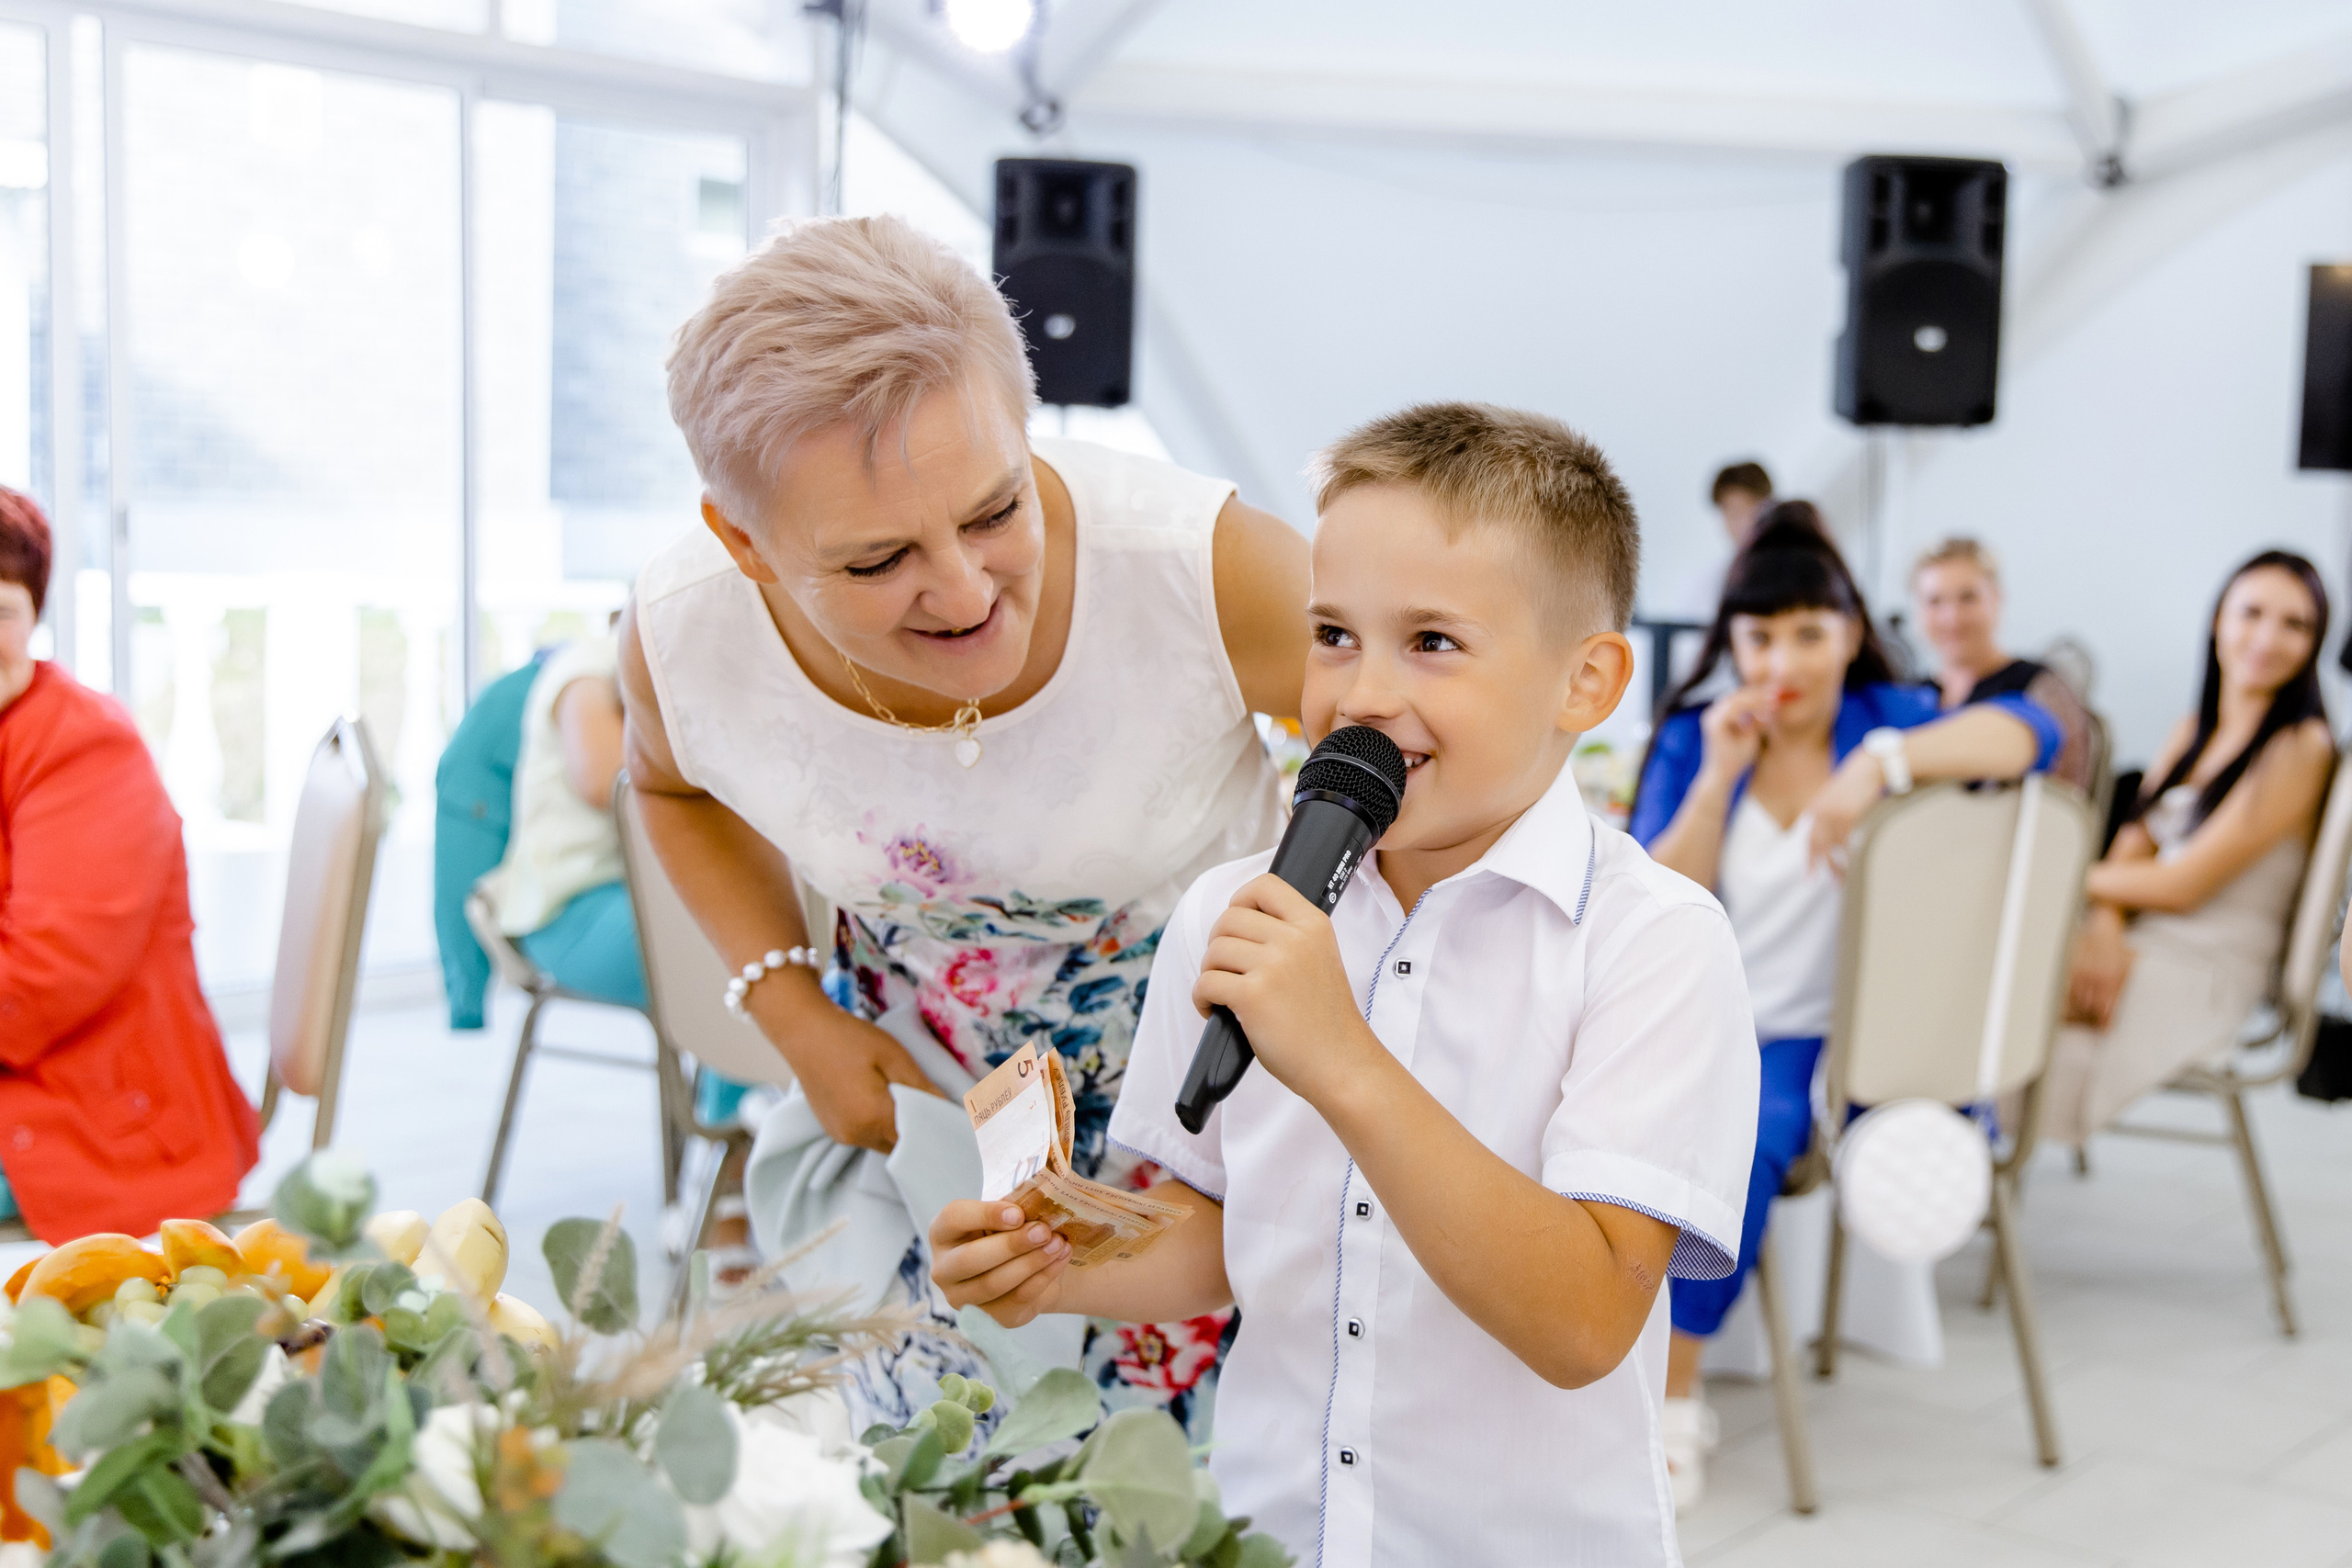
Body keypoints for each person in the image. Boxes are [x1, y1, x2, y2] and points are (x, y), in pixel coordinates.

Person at [932, 404, 1762, 1567]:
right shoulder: (1237, 913)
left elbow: (1585, 1321)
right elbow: (1225, 1230)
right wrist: (1057, 1266)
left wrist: (1345, 1063)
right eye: (1332, 634)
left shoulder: (1654, 943)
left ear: (1586, 682)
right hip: (1276, 1531)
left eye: (1432, 642)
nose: (1363, 691)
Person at [620, 214, 1310, 1436]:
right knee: (938, 1487)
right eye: (879, 558)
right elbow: (668, 789)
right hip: (921, 1128)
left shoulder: (1202, 568)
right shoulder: (686, 635)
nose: (964, 589)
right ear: (745, 542)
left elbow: (1431, 757)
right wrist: (795, 1012)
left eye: (995, 509)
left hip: (1214, 1135)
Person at [1629, 503, 2061, 1509]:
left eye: (1808, 634)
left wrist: (1879, 768)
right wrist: (1719, 778)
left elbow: (2035, 730)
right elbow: (1658, 905)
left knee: (1790, 1116)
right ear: (1731, 644)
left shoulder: (1893, 720)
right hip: (1735, 1024)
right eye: (1760, 635)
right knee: (1709, 1132)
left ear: (1850, 635)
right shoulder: (1700, 738)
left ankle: (1676, 1399)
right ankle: (1638, 1386)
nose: (1785, 658)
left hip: (1851, 1029)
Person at [0, 486, 262, 1240]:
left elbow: (38, 982)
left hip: (97, 1114)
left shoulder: (84, 745)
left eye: (2, 612)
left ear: (36, 616)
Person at [2043, 550, 2335, 1147]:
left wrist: (2059, 876)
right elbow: (2130, 850)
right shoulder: (2192, 730)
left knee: (2015, 981)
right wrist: (2104, 924)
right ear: (2217, 621)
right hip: (2146, 936)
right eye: (2251, 613)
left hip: (2207, 967)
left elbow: (2183, 886)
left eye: (2295, 624)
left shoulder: (2302, 746)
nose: (2267, 637)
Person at [1912, 536, 2097, 791]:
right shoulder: (1912, 695)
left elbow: (2065, 800)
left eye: (1968, 598)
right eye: (1935, 601)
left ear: (1996, 599)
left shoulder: (2040, 688)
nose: (1951, 617)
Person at [1662, 459, 1773, 622]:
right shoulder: (1702, 584)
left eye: (1748, 509)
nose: (1741, 522)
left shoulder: (1796, 573)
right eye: (1731, 512)